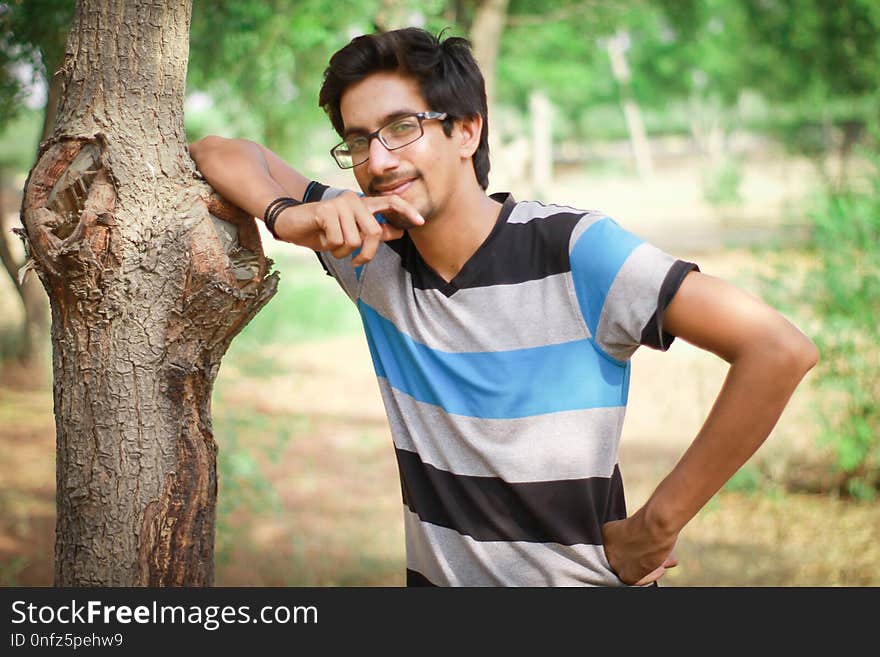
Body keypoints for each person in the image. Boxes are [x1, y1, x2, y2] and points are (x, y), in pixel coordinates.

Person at [188, 27, 818, 587]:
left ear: (467, 130)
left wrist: (657, 524)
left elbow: (778, 349)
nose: (377, 161)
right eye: (358, 141)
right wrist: (289, 216)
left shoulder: (574, 249)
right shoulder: (371, 255)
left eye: (403, 128)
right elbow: (217, 150)